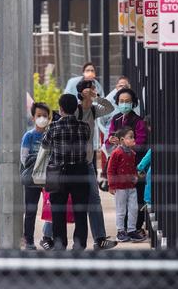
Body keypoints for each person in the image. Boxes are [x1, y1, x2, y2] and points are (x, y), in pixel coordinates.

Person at [41, 94, 90, 250]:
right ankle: (79, 244)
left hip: (58, 173)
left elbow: (45, 144)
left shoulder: (54, 127)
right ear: (76, 108)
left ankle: (60, 244)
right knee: (80, 211)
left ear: (60, 109)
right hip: (80, 172)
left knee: (58, 211)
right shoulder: (84, 127)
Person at [76, 80, 118, 249]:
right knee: (67, 202)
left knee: (94, 200)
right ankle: (50, 236)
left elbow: (109, 108)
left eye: (93, 88)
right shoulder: (75, 110)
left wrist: (97, 97)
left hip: (87, 163)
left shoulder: (93, 110)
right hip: (72, 163)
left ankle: (99, 239)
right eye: (89, 88)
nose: (92, 91)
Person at [105, 87, 148, 233]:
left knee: (137, 200)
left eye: (127, 101)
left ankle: (136, 227)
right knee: (121, 200)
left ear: (133, 103)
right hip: (119, 168)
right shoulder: (115, 119)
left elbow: (141, 144)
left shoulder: (139, 121)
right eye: (121, 101)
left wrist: (124, 145)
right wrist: (111, 141)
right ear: (117, 102)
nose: (124, 104)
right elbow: (108, 142)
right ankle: (122, 228)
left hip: (135, 166)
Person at [20, 102, 51, 250]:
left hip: (48, 179)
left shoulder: (51, 134)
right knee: (30, 211)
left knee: (51, 210)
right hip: (32, 178)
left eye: (45, 116)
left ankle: (49, 238)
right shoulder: (29, 136)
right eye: (39, 115)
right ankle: (29, 240)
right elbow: (23, 158)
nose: (42, 118)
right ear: (33, 118)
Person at [107, 128, 145, 242]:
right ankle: (120, 231)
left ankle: (131, 230)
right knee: (121, 210)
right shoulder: (116, 153)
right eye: (131, 137)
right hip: (120, 188)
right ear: (122, 140)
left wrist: (136, 177)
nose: (133, 139)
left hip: (131, 186)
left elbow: (133, 168)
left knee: (133, 208)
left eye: (133, 137)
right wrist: (111, 185)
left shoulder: (132, 153)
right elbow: (110, 169)